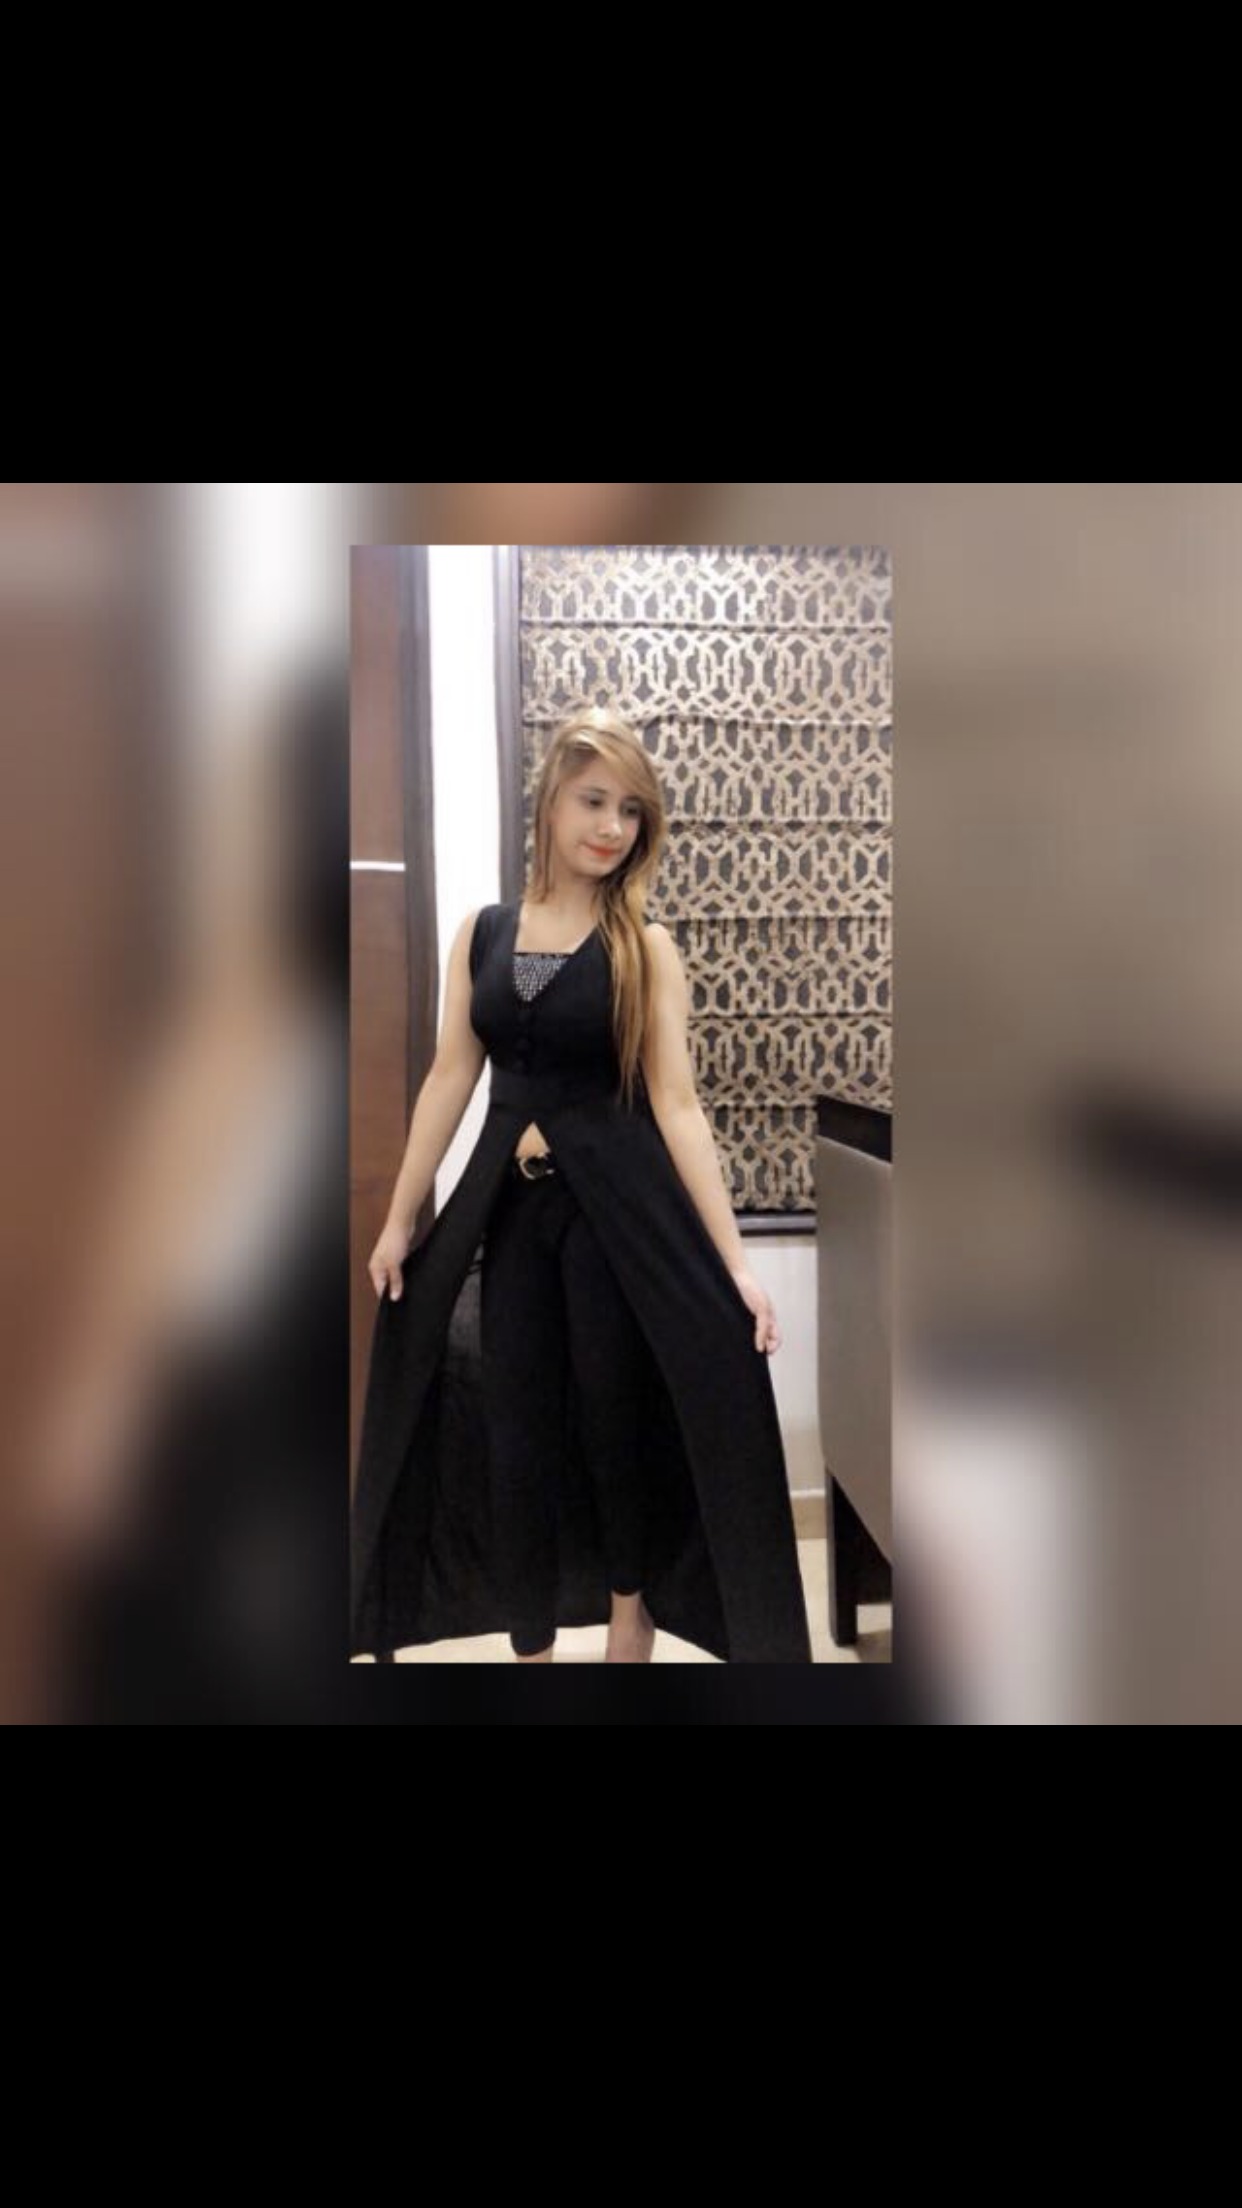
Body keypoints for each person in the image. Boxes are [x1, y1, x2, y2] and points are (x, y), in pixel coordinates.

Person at [353, 708, 812, 1664]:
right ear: (551, 803)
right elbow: (449, 1078)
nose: (612, 826)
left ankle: (629, 1611)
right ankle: (531, 1645)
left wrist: (734, 1265)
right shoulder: (483, 936)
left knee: (613, 1423)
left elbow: (677, 1105)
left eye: (631, 811)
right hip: (512, 1217)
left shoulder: (644, 946)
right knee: (515, 1431)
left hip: (615, 1222)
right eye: (594, 801)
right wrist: (400, 1221)